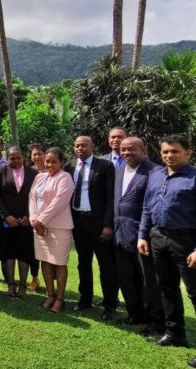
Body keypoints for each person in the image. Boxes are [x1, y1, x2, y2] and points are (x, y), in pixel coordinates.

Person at [138, 135, 196, 368]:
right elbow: (147, 208)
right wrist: (143, 235)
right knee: (167, 287)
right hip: (158, 238)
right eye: (165, 152)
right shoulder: (156, 176)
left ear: (188, 153)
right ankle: (175, 333)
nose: (169, 156)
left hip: (186, 242)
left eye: (175, 151)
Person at [113, 137, 164, 335]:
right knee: (126, 276)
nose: (126, 153)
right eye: (123, 150)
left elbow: (154, 205)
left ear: (144, 151)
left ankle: (155, 321)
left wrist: (145, 231)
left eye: (131, 149)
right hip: (120, 232)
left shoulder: (155, 172)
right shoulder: (118, 171)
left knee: (148, 279)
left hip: (143, 235)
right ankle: (134, 314)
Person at [65, 135, 118, 320]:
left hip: (98, 223)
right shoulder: (70, 166)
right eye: (77, 145)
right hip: (78, 222)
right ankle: (85, 299)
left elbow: (111, 197)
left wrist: (107, 224)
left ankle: (110, 305)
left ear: (92, 146)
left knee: (106, 265)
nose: (80, 148)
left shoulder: (105, 166)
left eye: (84, 145)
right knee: (83, 263)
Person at [29, 147, 74, 314]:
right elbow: (32, 198)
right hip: (39, 227)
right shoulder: (39, 177)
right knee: (45, 261)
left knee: (59, 263)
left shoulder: (65, 177)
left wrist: (41, 220)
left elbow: (59, 202)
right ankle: (50, 295)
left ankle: (60, 299)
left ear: (61, 162)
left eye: (54, 162)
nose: (49, 165)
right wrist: (34, 219)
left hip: (59, 227)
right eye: (47, 161)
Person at [0, 146, 38, 298]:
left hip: (26, 221)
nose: (16, 160)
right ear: (7, 159)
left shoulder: (33, 173)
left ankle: (23, 285)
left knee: (24, 253)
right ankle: (11, 285)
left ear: (23, 158)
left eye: (18, 157)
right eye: (12, 158)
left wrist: (28, 216)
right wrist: (6, 216)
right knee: (8, 253)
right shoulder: (0, 172)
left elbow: (37, 197)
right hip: (6, 221)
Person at [27, 142, 47, 291]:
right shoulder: (28, 172)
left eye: (40, 153)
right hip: (32, 217)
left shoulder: (52, 170)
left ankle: (50, 282)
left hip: (49, 217)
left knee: (48, 252)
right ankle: (35, 278)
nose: (37, 157)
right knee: (33, 251)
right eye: (34, 154)